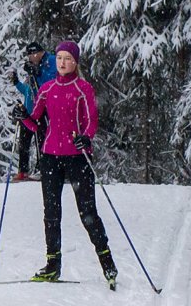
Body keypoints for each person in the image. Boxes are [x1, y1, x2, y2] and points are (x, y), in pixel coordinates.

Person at [9, 42, 118, 288]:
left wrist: (86, 137)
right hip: (50, 157)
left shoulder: (83, 88)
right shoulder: (47, 89)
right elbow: (36, 124)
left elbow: (91, 121)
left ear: (75, 62)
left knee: (87, 212)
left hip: (78, 156)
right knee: (51, 213)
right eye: (59, 58)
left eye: (67, 58)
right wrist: (22, 117)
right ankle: (52, 265)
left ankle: (107, 262)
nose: (62, 62)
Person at [9, 41, 56, 181]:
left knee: (42, 140)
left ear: (41, 52)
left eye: (34, 54)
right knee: (24, 142)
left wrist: (38, 72)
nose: (32, 57)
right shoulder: (32, 71)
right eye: (29, 55)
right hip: (28, 111)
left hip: (42, 110)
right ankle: (23, 171)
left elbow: (51, 82)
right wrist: (16, 82)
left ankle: (43, 168)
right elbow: (28, 91)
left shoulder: (51, 61)